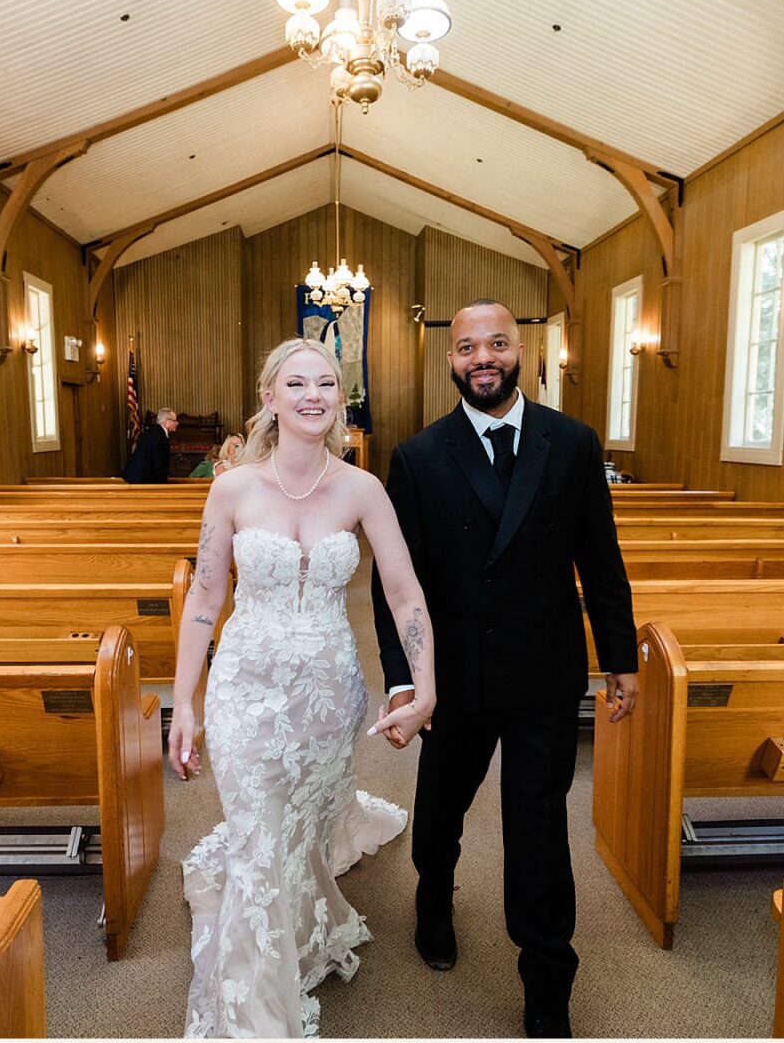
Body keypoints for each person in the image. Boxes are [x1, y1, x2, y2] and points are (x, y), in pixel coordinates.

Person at [370, 298, 639, 1039]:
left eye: (496, 344)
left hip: (544, 673)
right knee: (441, 809)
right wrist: (403, 679)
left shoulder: (572, 443)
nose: (482, 357)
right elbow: (397, 585)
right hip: (453, 676)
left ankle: (548, 980)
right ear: (450, 359)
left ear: (521, 352)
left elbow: (601, 560)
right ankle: (433, 895)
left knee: (539, 828)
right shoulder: (420, 456)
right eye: (467, 347)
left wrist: (620, 657)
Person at [169, 338, 438, 1038]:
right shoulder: (232, 488)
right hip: (244, 688)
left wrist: (424, 686)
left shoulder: (362, 489)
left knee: (297, 828)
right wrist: (184, 701)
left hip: (325, 694)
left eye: (325, 383)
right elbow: (205, 597)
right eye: (296, 383)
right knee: (258, 834)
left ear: (339, 399)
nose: (313, 395)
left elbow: (404, 592)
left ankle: (299, 911)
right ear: (270, 397)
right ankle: (255, 1010)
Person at [123, 407, 177, 483]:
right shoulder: (160, 435)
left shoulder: (154, 431)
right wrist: (163, 484)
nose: (177, 423)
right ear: (166, 421)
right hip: (142, 478)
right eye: (174, 421)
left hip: (137, 475)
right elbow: (159, 463)